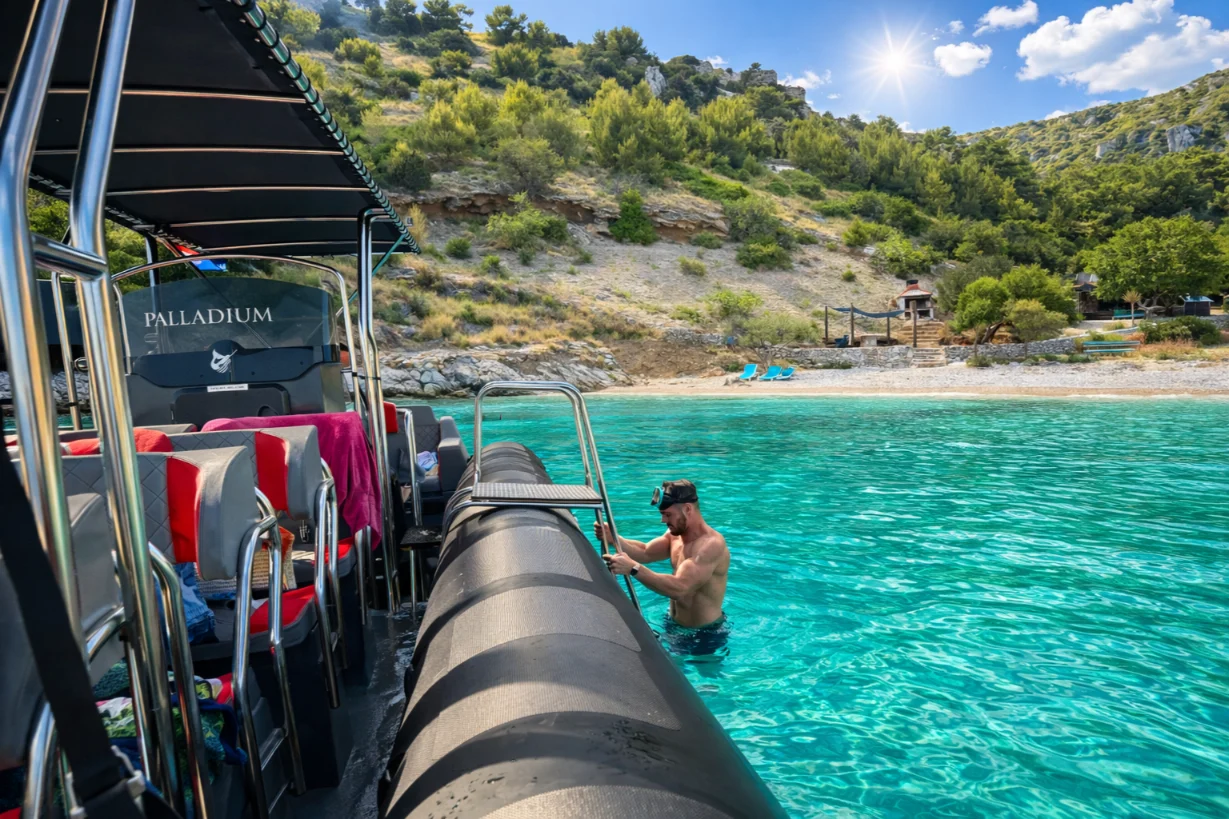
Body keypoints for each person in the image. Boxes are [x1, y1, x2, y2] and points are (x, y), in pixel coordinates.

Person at [597, 480, 729, 632]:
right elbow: (645, 552)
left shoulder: (710, 545)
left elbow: (680, 588)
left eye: (668, 515)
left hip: (704, 634)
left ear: (687, 509)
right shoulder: (675, 535)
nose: (663, 520)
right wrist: (614, 538)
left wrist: (633, 568)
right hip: (671, 624)